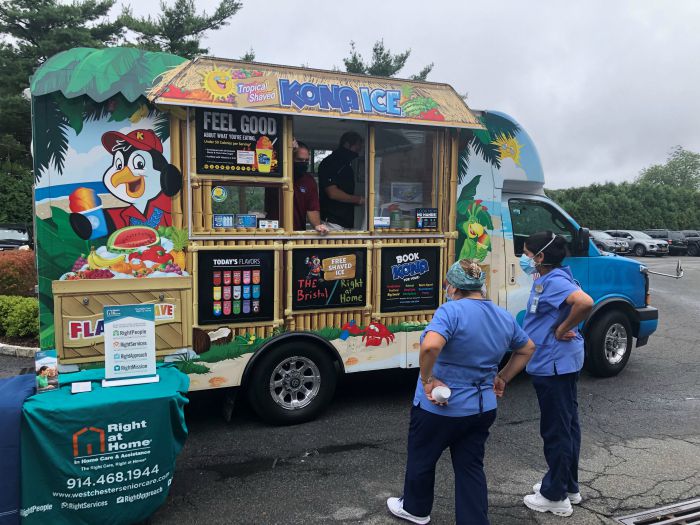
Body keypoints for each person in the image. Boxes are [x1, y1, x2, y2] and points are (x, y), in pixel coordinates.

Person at [387, 259, 535, 525]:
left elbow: (431, 347)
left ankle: (416, 509)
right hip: (482, 407)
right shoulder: (502, 316)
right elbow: (527, 348)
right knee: (470, 467)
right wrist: (503, 377)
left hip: (441, 406)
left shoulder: (450, 311)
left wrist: (427, 379)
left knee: (423, 458)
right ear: (481, 286)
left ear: (453, 287)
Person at [519, 232, 594, 517]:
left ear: (540, 257)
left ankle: (555, 496)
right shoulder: (552, 278)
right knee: (567, 425)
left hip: (553, 364)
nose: (524, 259)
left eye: (527, 254)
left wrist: (562, 329)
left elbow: (584, 302)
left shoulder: (554, 282)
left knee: (557, 429)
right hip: (560, 362)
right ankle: (568, 485)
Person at [318, 131, 365, 230]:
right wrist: (359, 199)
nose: (357, 153)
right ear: (347, 144)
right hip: (332, 221)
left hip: (346, 220)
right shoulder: (331, 162)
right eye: (357, 148)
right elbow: (333, 193)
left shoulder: (346, 164)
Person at [292, 141, 328, 234]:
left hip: (297, 234)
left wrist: (318, 226)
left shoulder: (309, 181)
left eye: (306, 161)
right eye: (299, 160)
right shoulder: (277, 176)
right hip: (271, 232)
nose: (303, 163)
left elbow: (312, 208)